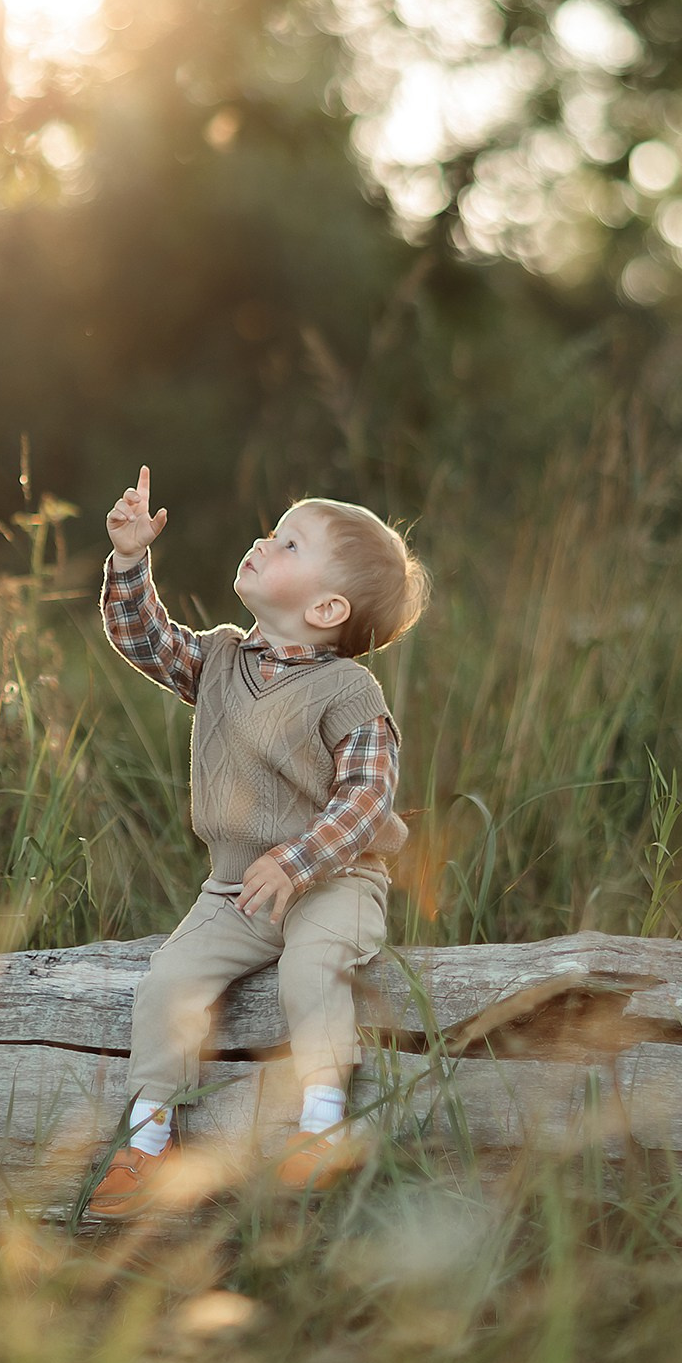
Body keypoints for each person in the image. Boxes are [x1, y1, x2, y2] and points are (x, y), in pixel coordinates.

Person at [87, 466, 429, 1219]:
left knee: (311, 968)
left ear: (327, 606)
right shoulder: (217, 661)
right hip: (236, 887)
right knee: (168, 983)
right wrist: (129, 559)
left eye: (287, 542)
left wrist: (297, 859)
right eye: (272, 531)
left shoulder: (350, 692)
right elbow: (143, 639)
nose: (261, 541)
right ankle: (146, 1146)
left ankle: (320, 1128)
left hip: (337, 878)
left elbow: (368, 799)